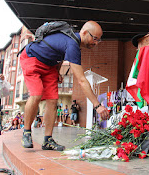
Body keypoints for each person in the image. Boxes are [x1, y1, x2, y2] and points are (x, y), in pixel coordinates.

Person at [19, 21, 109, 151]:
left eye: (98, 40)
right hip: (32, 58)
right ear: (84, 33)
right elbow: (82, 80)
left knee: (53, 100)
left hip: (50, 66)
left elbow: (59, 53)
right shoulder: (72, 44)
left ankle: (47, 140)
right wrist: (98, 106)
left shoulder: (72, 42)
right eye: (94, 39)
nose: (95, 43)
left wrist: (57, 70)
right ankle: (26, 132)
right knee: (37, 93)